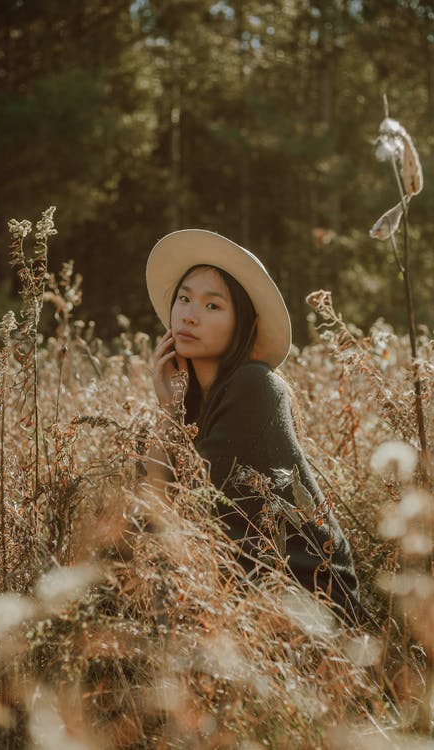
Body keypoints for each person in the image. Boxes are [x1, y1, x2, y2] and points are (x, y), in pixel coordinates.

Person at [145, 229, 360, 623]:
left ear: (242, 322)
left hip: (307, 599)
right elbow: (151, 509)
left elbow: (191, 507)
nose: (189, 315)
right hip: (238, 583)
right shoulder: (187, 400)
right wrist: (168, 411)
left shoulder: (255, 386)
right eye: (184, 298)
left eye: (213, 306)